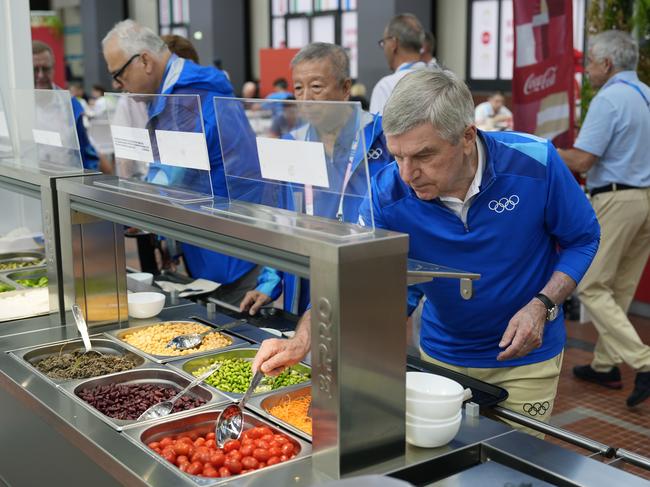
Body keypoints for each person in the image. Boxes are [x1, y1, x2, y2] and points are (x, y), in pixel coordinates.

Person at [253, 69, 600, 430]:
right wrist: (303, 339)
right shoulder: (385, 193)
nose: (407, 173)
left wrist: (542, 305)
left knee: (514, 469)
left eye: (423, 156)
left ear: (467, 136)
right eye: (397, 156)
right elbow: (349, 275)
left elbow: (583, 238)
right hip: (440, 356)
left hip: (527, 359)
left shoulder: (536, 162)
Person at [102, 20, 258, 305]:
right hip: (210, 235)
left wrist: (128, 206)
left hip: (231, 243)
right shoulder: (173, 93)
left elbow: (170, 176)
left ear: (145, 61)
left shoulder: (188, 96)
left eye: (119, 74)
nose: (116, 85)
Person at [240, 43, 392, 316]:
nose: (306, 98)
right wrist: (269, 282)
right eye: (298, 88)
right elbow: (281, 220)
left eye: (317, 87)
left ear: (346, 89)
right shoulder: (292, 143)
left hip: (367, 275)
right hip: (307, 276)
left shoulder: (382, 137)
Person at [557, 30, 650, 407]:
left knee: (592, 284)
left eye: (590, 63)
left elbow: (582, 161)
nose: (588, 70)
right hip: (645, 199)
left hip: (617, 198)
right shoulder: (646, 94)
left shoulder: (609, 98)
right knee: (619, 286)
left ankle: (643, 362)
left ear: (607, 64)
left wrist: (542, 149)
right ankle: (605, 364)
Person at [32, 40, 101, 171]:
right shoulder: (19, 106)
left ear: (53, 68)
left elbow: (86, 152)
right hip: (30, 182)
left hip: (66, 181)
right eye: (35, 69)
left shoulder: (70, 105)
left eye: (45, 69)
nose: (40, 75)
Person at [369, 13, 427, 115]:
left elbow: (376, 130)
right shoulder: (444, 79)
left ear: (393, 43)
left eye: (384, 42)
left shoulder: (386, 86)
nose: (384, 48)